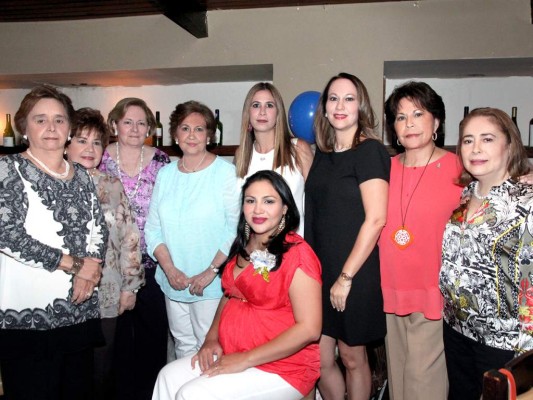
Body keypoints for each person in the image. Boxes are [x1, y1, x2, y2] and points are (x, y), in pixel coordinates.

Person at [152, 170, 322, 400]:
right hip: (234, 352)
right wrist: (211, 338)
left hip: (282, 366)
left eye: (268, 201)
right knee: (167, 376)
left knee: (192, 394)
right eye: (251, 201)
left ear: (285, 209)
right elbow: (231, 294)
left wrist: (245, 359)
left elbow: (310, 329)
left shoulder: (297, 254)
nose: (258, 209)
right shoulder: (244, 243)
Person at [0, 85, 108, 399]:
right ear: (24, 127)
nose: (52, 127)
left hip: (79, 312)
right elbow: (7, 234)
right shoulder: (8, 170)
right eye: (41, 119)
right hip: (28, 318)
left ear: (69, 129)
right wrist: (76, 266)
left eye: (60, 120)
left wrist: (91, 268)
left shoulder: (84, 175)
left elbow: (97, 230)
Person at [304, 72, 390, 400]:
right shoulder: (321, 155)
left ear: (361, 107)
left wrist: (345, 277)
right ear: (324, 109)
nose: (340, 105)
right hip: (319, 272)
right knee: (319, 359)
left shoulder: (369, 152)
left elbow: (376, 218)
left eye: (349, 98)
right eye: (333, 98)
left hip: (354, 271)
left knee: (353, 358)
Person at [439, 107, 533, 400]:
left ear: (509, 145)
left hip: (504, 342)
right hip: (456, 329)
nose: (475, 148)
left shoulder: (527, 202)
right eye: (467, 140)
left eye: (487, 139)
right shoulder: (466, 194)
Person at [379, 81, 463, 400]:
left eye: (418, 113)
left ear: (437, 122)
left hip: (435, 291)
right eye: (401, 117)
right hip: (391, 288)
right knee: (399, 381)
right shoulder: (383, 170)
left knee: (421, 382)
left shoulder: (460, 168)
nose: (410, 123)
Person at [145, 100, 240, 360]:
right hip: (174, 281)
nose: (192, 135)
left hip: (209, 284)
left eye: (199, 129)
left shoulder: (225, 173)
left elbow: (234, 229)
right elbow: (152, 229)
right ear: (175, 135)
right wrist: (169, 269)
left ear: (210, 135)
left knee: (209, 350)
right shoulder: (165, 175)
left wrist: (211, 271)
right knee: (183, 347)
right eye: (185, 128)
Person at [65, 107, 144, 399]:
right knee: (68, 372)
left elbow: (130, 238)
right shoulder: (53, 184)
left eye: (97, 142)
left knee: (101, 371)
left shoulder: (111, 186)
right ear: (66, 143)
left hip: (107, 292)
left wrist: (130, 287)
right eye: (82, 140)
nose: (90, 149)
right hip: (61, 298)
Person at [99, 97, 170, 400]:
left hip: (153, 265)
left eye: (141, 122)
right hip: (108, 269)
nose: (134, 128)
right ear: (114, 125)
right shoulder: (97, 157)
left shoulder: (162, 162)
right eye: (127, 121)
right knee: (112, 342)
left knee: (152, 338)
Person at [234, 82, 314, 236]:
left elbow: (318, 203)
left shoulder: (298, 148)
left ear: (278, 114)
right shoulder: (242, 154)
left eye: (269, 105)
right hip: (253, 252)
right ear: (248, 114)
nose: (262, 112)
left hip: (293, 251)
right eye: (256, 105)